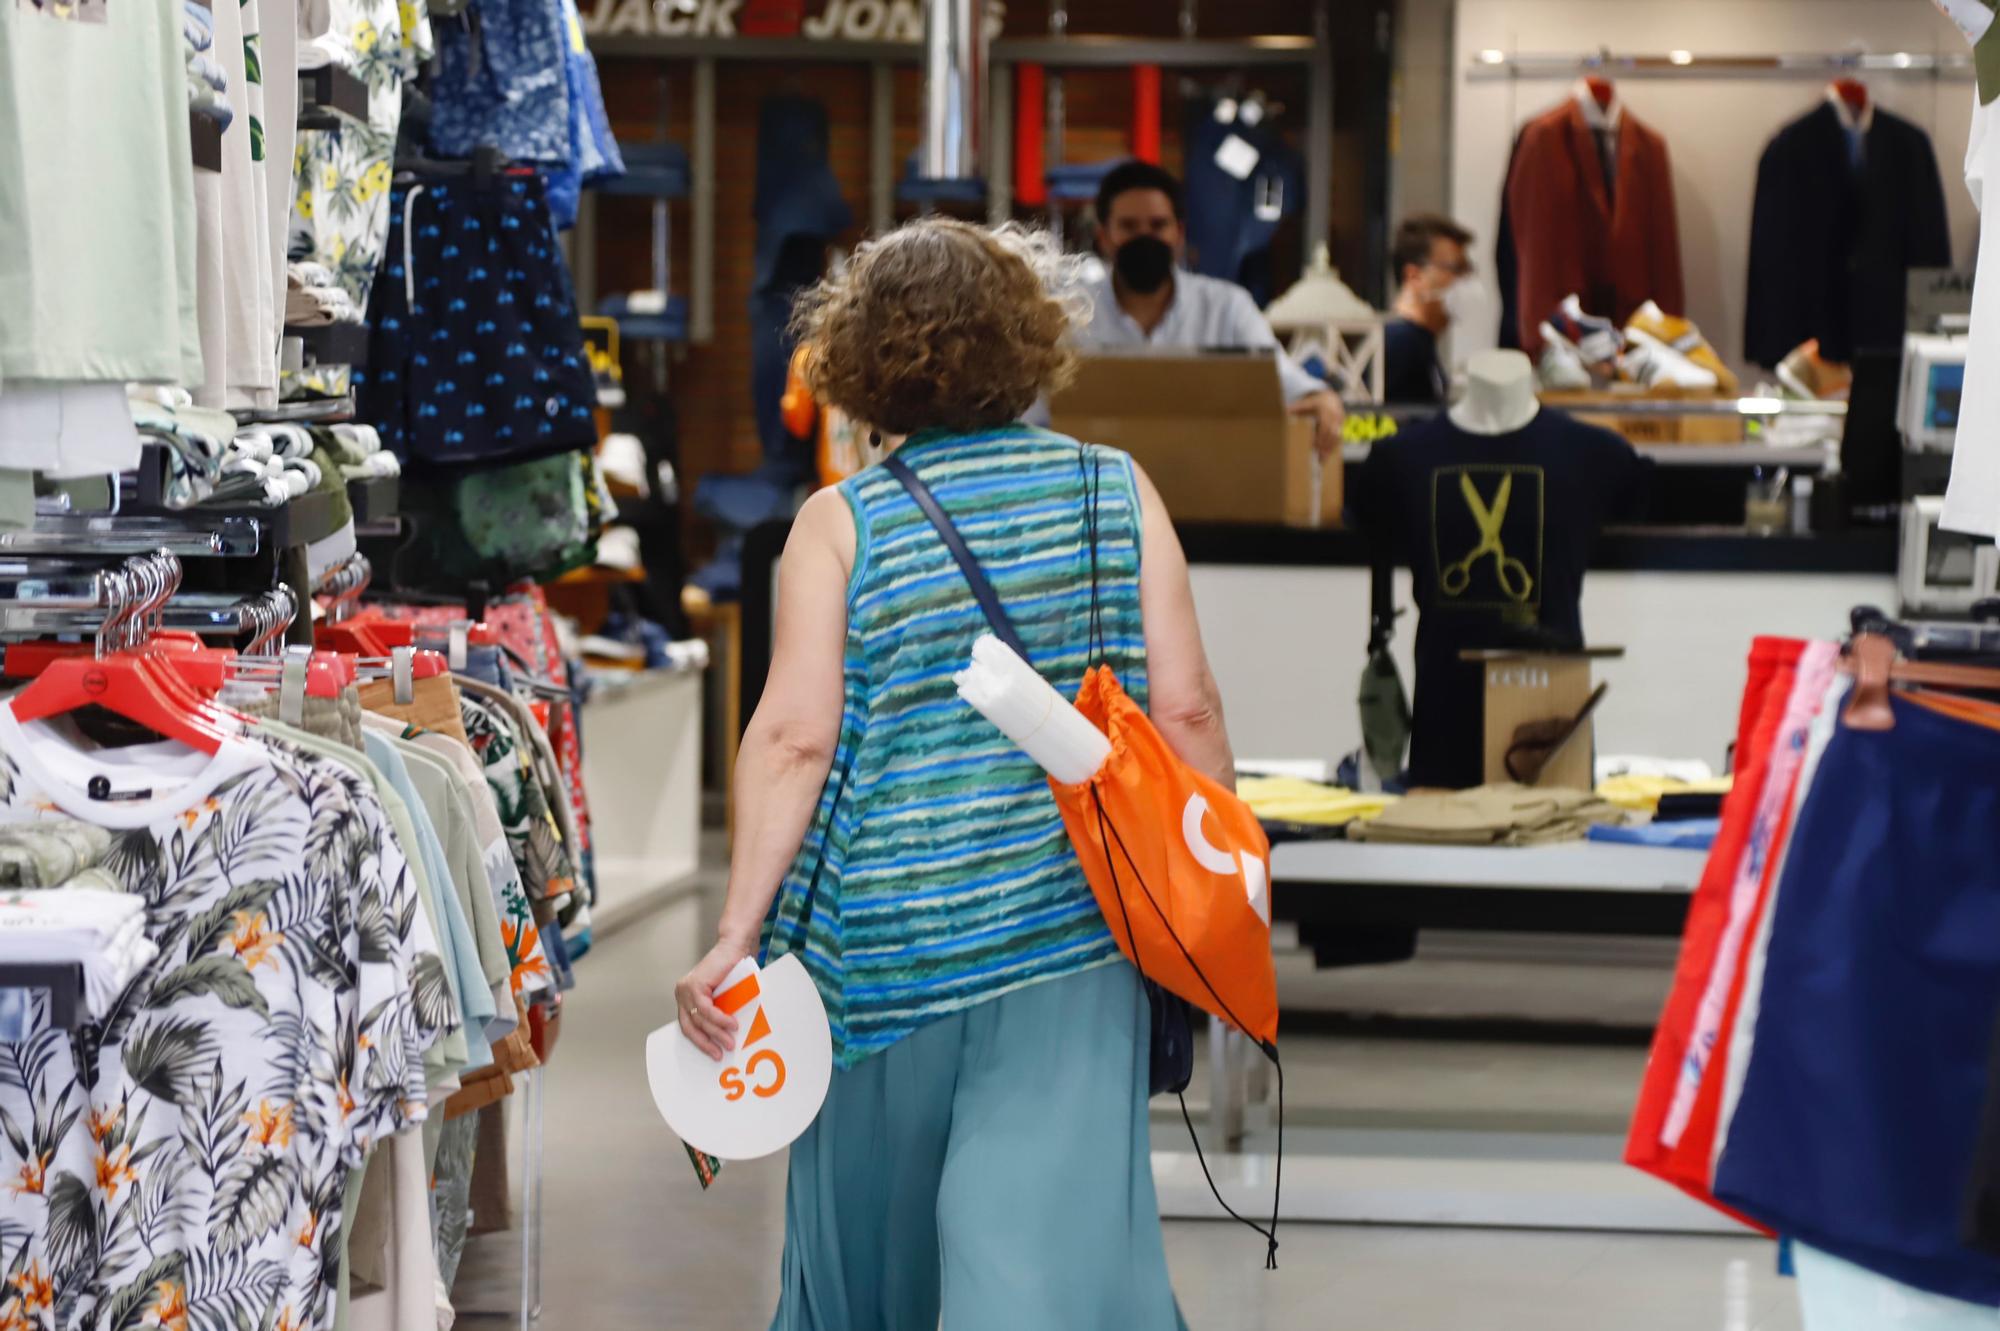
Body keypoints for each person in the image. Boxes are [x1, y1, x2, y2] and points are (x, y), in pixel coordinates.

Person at [674, 216, 1234, 1330]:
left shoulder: (841, 522)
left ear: (856, 358)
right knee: (1048, 1261)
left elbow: (792, 736)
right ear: (1024, 342)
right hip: (1071, 933)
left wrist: (735, 932)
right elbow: (1185, 710)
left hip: (883, 950)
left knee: (871, 1267)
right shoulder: (1114, 491)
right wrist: (1213, 892)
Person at [1080, 159, 1345, 449]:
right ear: (1103, 236)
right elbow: (1039, 414)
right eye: (1129, 227)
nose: (1144, 237)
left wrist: (1320, 399)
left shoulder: (1227, 308)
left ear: (1179, 234)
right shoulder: (1073, 317)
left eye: (1157, 225)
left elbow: (1281, 380)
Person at [1382, 214, 1478, 405]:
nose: (1464, 282)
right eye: (1456, 269)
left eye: (1467, 271)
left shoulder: (1421, 342)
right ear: (1414, 275)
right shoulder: (1400, 343)